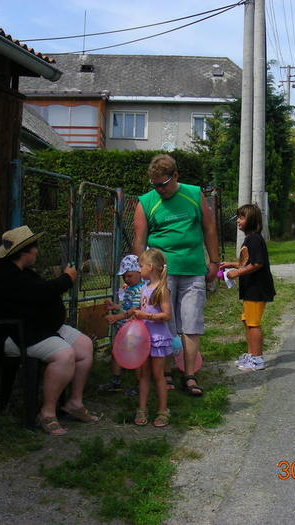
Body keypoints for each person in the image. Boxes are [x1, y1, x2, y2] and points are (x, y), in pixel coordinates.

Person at [0, 225, 99, 436]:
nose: (37, 251)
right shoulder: (8, 277)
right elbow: (42, 292)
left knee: (84, 346)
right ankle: (47, 413)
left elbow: (41, 292)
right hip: (17, 334)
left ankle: (74, 403)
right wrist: (66, 279)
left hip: (38, 328)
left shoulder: (23, 273)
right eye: (34, 248)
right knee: (64, 355)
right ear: (24, 252)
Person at [132, 154, 220, 396]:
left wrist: (214, 261)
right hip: (161, 275)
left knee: (191, 323)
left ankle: (189, 375)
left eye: (163, 184)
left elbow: (209, 229)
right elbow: (139, 241)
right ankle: (166, 371)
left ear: (175, 176)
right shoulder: (146, 202)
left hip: (193, 270)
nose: (159, 189)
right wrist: (139, 272)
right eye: (155, 185)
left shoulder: (193, 194)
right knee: (164, 323)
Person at [220, 204, 276, 371]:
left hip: (257, 289)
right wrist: (231, 264)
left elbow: (257, 263)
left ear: (251, 220)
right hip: (250, 289)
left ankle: (257, 359)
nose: (238, 220)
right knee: (247, 321)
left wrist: (236, 273)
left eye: (241, 217)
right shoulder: (249, 239)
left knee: (253, 323)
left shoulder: (255, 240)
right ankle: (251, 355)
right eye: (238, 217)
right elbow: (247, 262)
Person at [127, 249, 173, 427]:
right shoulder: (144, 288)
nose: (139, 270)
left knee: (158, 375)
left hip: (158, 339)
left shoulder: (162, 290)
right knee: (143, 374)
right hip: (144, 337)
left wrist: (145, 316)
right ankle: (142, 408)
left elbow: (167, 315)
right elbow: (142, 309)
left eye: (141, 266)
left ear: (151, 267)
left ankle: (163, 410)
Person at [101, 254, 144, 394]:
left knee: (136, 355)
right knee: (116, 352)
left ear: (139, 272)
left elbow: (135, 310)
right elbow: (126, 307)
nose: (126, 279)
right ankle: (116, 381)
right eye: (124, 277)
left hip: (133, 330)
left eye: (129, 276)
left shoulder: (140, 290)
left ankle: (140, 385)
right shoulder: (130, 289)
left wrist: (117, 317)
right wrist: (115, 307)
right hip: (124, 328)